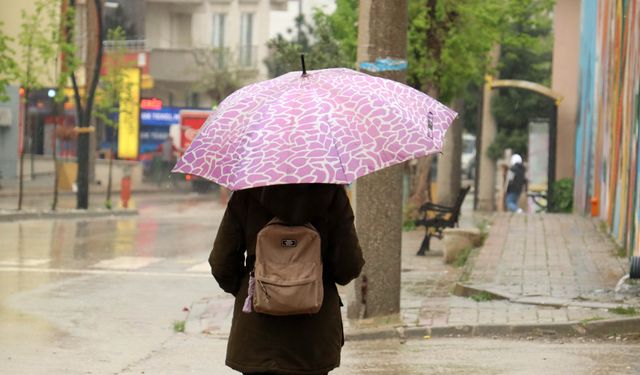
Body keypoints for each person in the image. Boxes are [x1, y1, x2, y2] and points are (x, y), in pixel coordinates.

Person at [209, 183, 364, 375]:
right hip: (314, 338)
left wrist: (255, 289)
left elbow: (221, 263)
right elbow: (349, 266)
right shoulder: (332, 194)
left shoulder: (246, 193)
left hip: (257, 336)